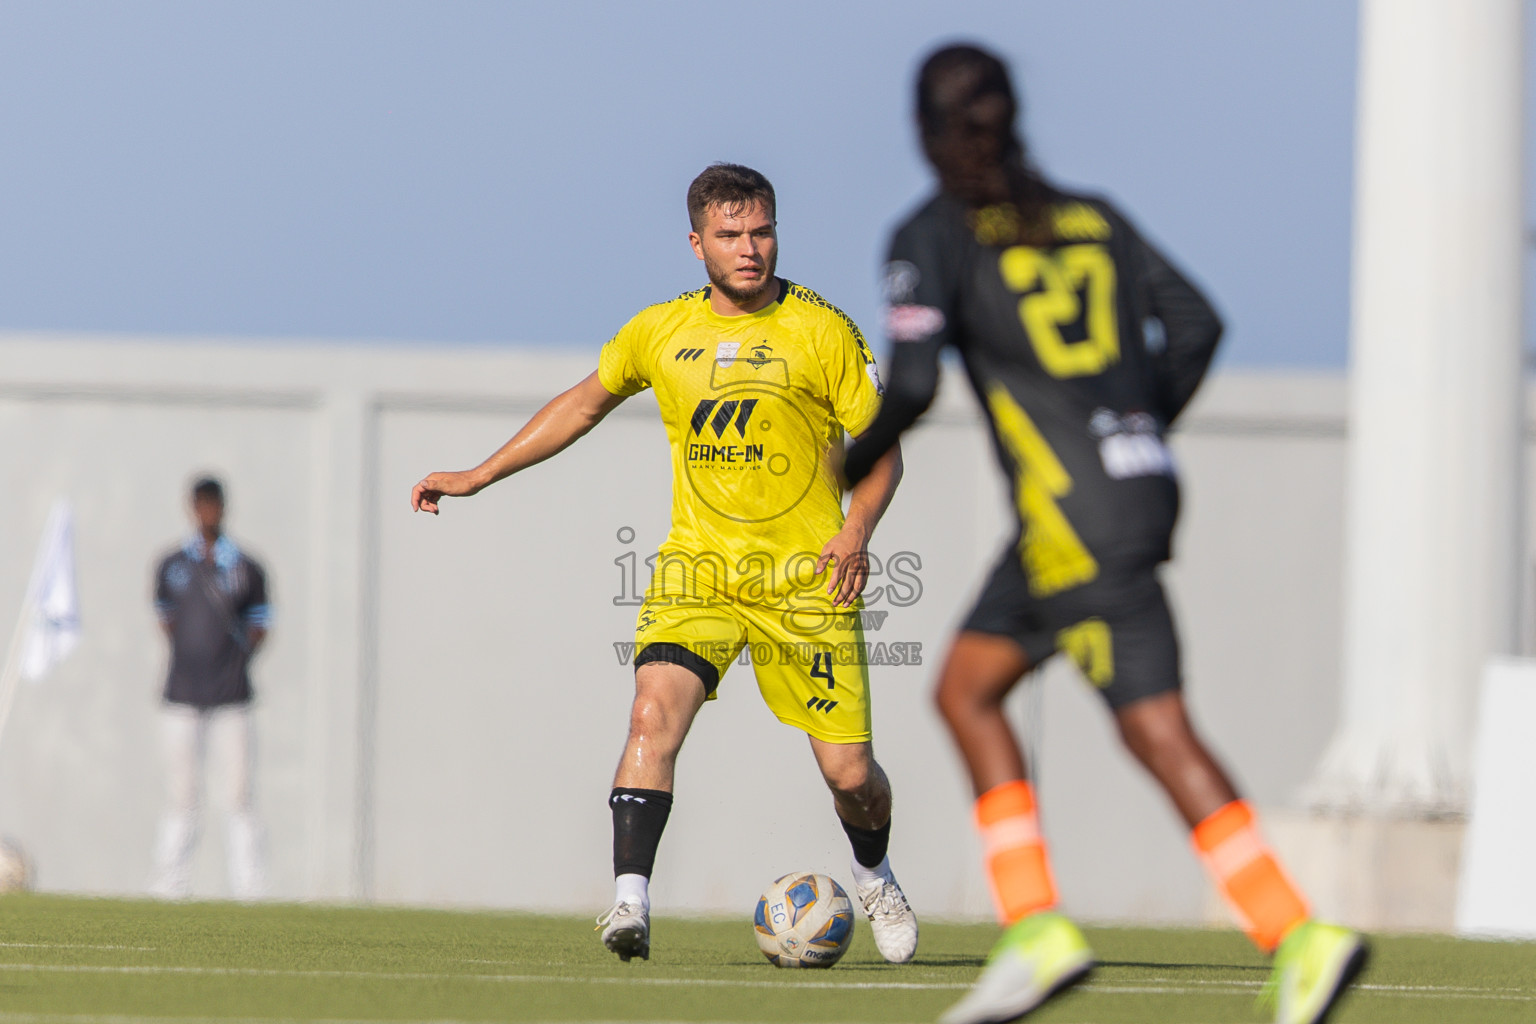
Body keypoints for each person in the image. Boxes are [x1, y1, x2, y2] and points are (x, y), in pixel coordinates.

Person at [841, 45, 1366, 1024]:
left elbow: (909, 384)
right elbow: (1198, 324)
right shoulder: (1091, 217)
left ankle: (1075, 928)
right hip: (1138, 490)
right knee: (1004, 692)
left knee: (1067, 711)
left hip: (1067, 515)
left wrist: (842, 461)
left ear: (923, 130)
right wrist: (1134, 423)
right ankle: (1270, 934)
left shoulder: (931, 235)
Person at [411, 163, 918, 964]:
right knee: (652, 714)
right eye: (730, 235)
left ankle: (875, 871)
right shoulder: (660, 331)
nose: (749, 249)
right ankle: (628, 905)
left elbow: (882, 451)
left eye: (761, 232)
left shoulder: (823, 330)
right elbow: (582, 404)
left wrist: (855, 531)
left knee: (851, 775)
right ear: (696, 243)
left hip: (805, 584)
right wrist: (479, 474)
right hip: (699, 574)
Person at [150, 476, 272, 900]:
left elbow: (260, 624)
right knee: (181, 795)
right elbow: (166, 618)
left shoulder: (245, 567)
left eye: (213, 505)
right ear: (191, 507)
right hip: (182, 694)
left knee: (239, 794)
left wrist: (233, 660)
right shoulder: (172, 565)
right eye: (200, 505)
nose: (207, 512)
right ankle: (170, 887)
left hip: (232, 697)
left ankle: (250, 890)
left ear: (222, 507)